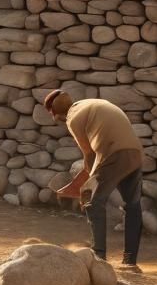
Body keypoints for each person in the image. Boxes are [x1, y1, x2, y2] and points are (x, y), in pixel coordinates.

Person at [42, 90, 144, 270]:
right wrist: (79, 183)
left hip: (114, 154)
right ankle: (130, 261)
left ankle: (99, 258)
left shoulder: (72, 118)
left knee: (92, 200)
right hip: (135, 153)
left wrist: (81, 187)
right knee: (132, 205)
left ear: (54, 113)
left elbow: (89, 156)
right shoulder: (89, 104)